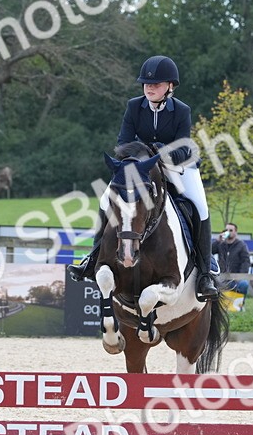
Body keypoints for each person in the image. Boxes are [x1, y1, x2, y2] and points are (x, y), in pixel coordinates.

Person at [70, 55, 218, 298]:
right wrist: (141, 156)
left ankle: (204, 273)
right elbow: (123, 143)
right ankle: (92, 258)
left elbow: (183, 147)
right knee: (106, 199)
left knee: (200, 207)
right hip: (138, 167)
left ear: (170, 86)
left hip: (177, 166)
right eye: (147, 84)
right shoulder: (133, 106)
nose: (149, 87)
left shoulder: (182, 111)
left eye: (156, 84)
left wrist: (159, 152)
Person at [211, 222, 250, 295]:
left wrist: (240, 276)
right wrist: (217, 241)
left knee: (244, 284)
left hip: (236, 277)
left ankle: (240, 305)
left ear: (236, 232)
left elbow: (246, 261)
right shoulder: (221, 243)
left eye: (231, 230)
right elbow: (209, 252)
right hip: (222, 276)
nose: (228, 232)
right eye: (226, 230)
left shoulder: (241, 245)